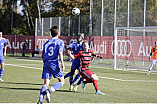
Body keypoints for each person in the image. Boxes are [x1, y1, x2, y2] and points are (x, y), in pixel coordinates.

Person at [37, 26, 65, 104]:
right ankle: (49, 91)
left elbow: (42, 55)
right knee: (62, 81)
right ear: (58, 33)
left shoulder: (47, 42)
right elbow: (60, 52)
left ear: (51, 34)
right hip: (54, 63)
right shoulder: (60, 42)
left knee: (46, 83)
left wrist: (45, 62)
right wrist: (62, 62)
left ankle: (40, 100)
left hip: (46, 63)